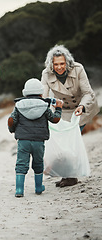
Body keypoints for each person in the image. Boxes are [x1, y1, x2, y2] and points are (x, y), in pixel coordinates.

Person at [41, 45, 99, 187]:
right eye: (56, 64)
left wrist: (82, 106)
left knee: (71, 141)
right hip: (64, 110)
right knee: (63, 143)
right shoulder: (46, 74)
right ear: (51, 64)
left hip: (82, 108)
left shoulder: (78, 69)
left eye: (62, 63)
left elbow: (88, 93)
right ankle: (67, 175)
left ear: (67, 62)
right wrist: (44, 111)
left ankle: (71, 177)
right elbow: (44, 96)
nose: (59, 67)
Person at [8, 78, 63, 197]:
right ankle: (38, 188)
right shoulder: (44, 106)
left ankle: (19, 190)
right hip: (39, 141)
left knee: (21, 164)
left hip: (23, 141)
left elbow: (12, 120)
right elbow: (54, 119)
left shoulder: (19, 105)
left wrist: (12, 130)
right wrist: (58, 108)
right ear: (40, 92)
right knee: (38, 163)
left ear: (25, 92)